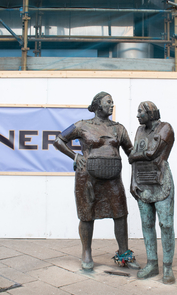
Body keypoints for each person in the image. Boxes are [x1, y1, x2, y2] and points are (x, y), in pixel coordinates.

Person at [53, 92, 139, 271]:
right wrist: (75, 156)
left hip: (113, 177)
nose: (112, 105)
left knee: (121, 213)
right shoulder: (82, 125)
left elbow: (132, 153)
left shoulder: (119, 128)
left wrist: (148, 159)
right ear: (98, 105)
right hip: (87, 177)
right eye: (108, 102)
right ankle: (86, 252)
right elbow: (59, 140)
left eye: (113, 102)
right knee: (86, 214)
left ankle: (124, 254)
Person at [129, 101, 175, 284]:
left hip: (161, 180)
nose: (138, 115)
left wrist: (133, 156)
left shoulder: (165, 128)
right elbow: (135, 159)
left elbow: (152, 153)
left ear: (151, 113)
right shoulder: (140, 131)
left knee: (166, 224)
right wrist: (133, 181)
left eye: (140, 112)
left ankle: (168, 267)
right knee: (147, 224)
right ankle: (152, 263)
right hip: (142, 181)